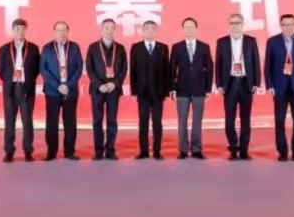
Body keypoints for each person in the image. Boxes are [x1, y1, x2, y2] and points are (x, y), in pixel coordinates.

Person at [263, 14, 294, 162]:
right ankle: (282, 152)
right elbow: (268, 65)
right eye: (285, 24)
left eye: (291, 24)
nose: (289, 27)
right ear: (281, 25)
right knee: (279, 121)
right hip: (279, 87)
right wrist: (269, 85)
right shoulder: (272, 42)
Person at [215, 13, 261, 160]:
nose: (235, 26)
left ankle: (244, 150)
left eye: (237, 23)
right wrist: (219, 84)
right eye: (232, 23)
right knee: (229, 119)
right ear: (229, 25)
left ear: (242, 25)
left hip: (246, 83)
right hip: (230, 84)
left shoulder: (251, 41)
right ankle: (233, 148)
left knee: (245, 119)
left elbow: (256, 62)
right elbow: (218, 64)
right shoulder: (222, 42)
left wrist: (256, 82)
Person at [0, 18, 41, 163]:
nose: (20, 31)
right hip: (11, 89)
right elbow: (0, 69)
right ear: (13, 30)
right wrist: (10, 79)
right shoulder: (4, 49)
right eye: (17, 29)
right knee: (9, 122)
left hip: (26, 89)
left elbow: (37, 68)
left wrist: (28, 80)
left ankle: (28, 152)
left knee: (27, 122)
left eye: (22, 29)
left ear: (26, 30)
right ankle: (9, 152)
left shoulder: (33, 48)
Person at [170, 17, 213, 160]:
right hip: (181, 89)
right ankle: (182, 150)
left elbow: (209, 68)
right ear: (183, 29)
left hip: (199, 89)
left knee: (197, 121)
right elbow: (172, 69)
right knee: (182, 121)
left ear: (196, 29)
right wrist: (172, 89)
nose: (189, 29)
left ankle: (196, 149)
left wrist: (208, 89)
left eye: (191, 27)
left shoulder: (204, 46)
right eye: (186, 27)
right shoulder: (176, 47)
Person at [40, 21, 84, 160]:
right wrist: (57, 86)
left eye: (64, 30)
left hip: (70, 90)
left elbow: (79, 68)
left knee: (70, 122)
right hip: (52, 91)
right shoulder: (47, 48)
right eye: (59, 30)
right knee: (52, 122)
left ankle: (69, 152)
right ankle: (51, 152)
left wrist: (68, 85)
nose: (61, 33)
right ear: (54, 32)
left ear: (68, 31)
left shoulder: (74, 47)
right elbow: (43, 69)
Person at [85, 19, 128, 160]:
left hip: (113, 90)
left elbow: (124, 69)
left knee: (112, 120)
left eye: (112, 28)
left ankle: (110, 150)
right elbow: (89, 68)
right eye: (106, 28)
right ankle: (98, 151)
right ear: (101, 29)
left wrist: (114, 84)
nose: (109, 31)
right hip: (98, 89)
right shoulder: (93, 47)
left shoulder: (120, 48)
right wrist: (99, 85)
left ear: (115, 30)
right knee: (97, 120)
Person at [128, 20, 170, 160]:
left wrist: (166, 91)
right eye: (147, 29)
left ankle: (157, 150)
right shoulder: (136, 48)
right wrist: (134, 91)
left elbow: (167, 71)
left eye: (153, 29)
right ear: (143, 31)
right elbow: (133, 70)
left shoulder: (163, 48)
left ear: (156, 31)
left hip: (158, 92)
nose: (150, 31)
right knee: (143, 122)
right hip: (142, 92)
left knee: (157, 122)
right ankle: (144, 151)